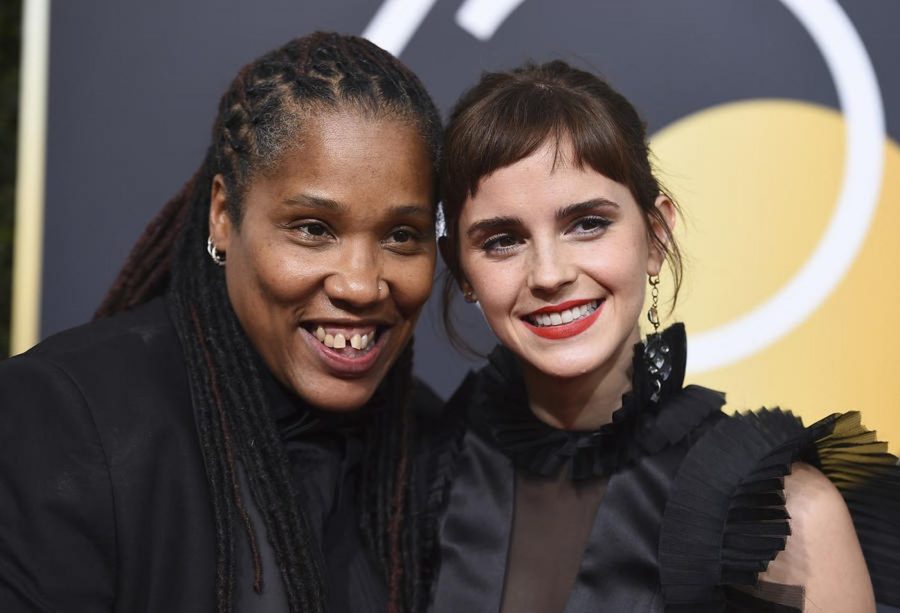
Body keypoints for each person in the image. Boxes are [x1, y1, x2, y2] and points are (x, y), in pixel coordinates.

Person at [430, 60, 900, 612]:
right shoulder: (428, 466)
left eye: (587, 223)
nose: (550, 273)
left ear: (654, 236)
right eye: (503, 240)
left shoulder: (781, 512)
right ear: (461, 271)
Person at [0, 32, 444, 613]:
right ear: (222, 216)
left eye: (401, 235)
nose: (360, 284)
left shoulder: (435, 445)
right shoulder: (66, 418)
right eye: (313, 229)